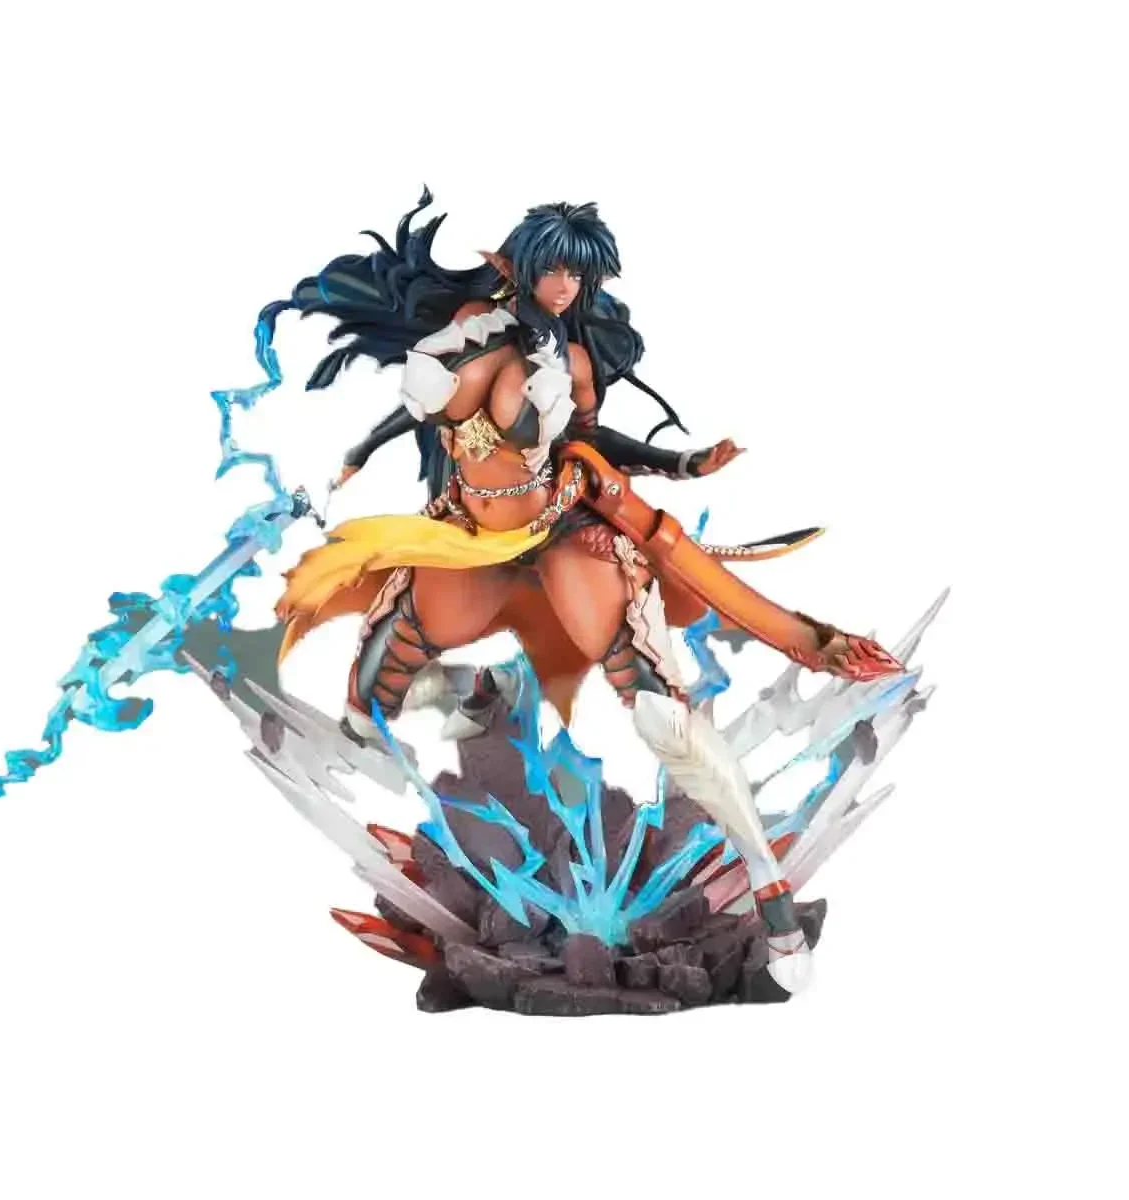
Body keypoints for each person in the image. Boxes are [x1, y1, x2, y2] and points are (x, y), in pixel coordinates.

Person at [263, 191, 903, 992]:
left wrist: (680, 464)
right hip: (469, 538)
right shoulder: (473, 331)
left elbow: (587, 438)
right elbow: (424, 404)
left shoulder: (573, 354)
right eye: (554, 270)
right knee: (372, 692)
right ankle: (461, 699)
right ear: (523, 267)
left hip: (566, 522)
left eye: (578, 274)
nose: (566, 287)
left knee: (663, 715)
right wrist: (376, 440)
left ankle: (770, 896)